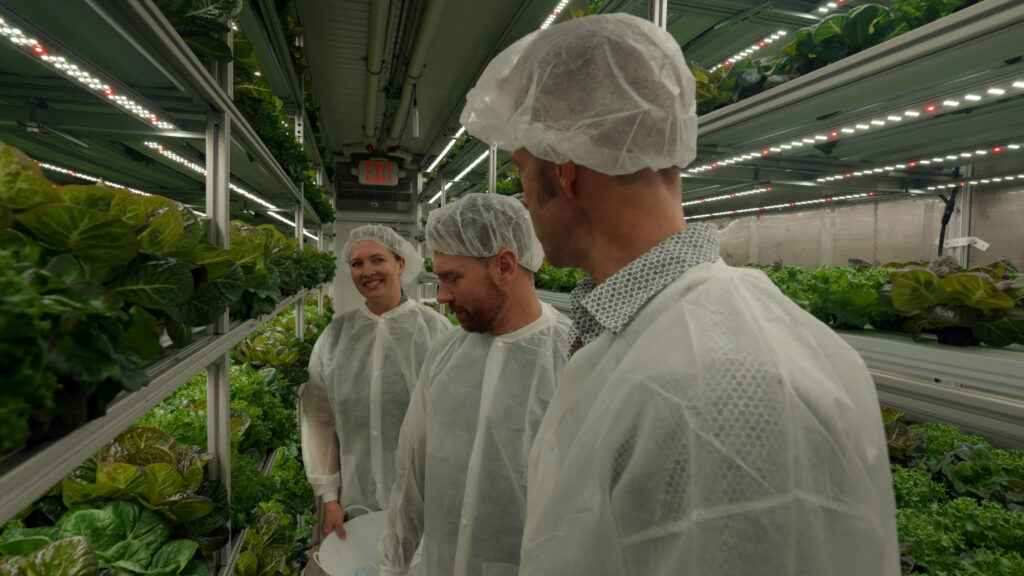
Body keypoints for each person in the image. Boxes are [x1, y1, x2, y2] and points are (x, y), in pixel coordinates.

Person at [459, 13, 900, 576]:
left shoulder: (715, 381)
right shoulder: (647, 334)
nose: (522, 199)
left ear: (565, 173)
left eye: (522, 170)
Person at [379, 194, 571, 576]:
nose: (441, 296)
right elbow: (411, 478)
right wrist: (392, 566)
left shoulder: (571, 358)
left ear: (504, 265)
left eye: (452, 277)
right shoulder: (445, 353)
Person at [301, 225, 452, 542]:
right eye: (357, 264)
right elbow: (318, 420)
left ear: (401, 264)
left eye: (377, 260)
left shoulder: (435, 330)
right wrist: (329, 497)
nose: (367, 271)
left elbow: (455, 419)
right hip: (356, 501)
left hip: (426, 501)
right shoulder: (336, 336)